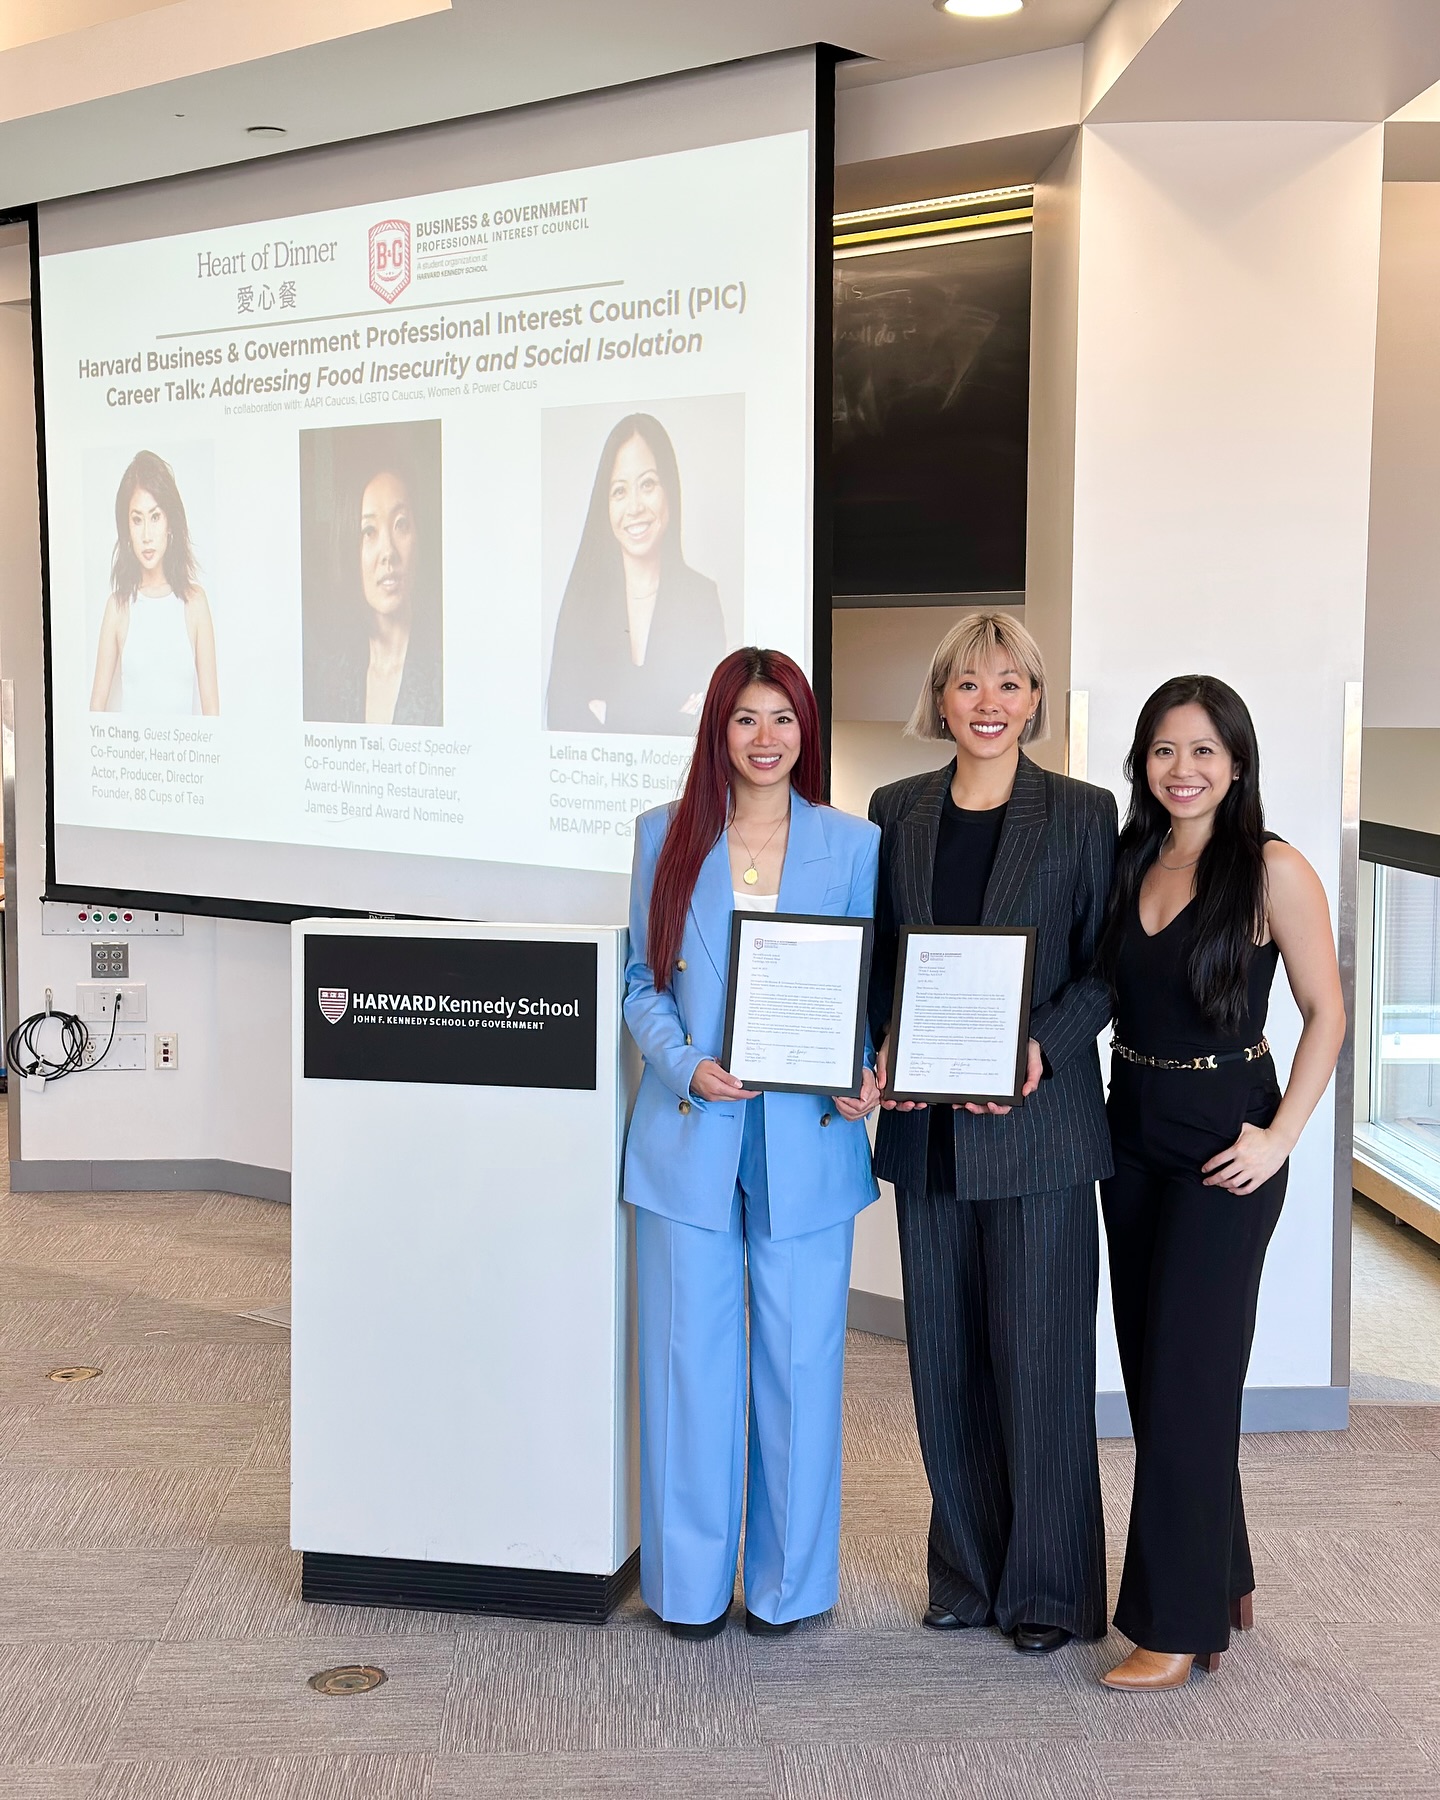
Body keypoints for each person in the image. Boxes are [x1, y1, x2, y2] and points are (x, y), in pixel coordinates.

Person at [868, 611, 1116, 1655]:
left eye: (1011, 684)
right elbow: (880, 966)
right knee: (946, 1361)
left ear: (1036, 701)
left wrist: (1041, 1047)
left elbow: (1107, 968)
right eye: (968, 684)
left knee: (1041, 1362)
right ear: (940, 699)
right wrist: (875, 1052)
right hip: (928, 1136)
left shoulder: (1083, 813)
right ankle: (966, 1571)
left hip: (1040, 1131)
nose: (989, 703)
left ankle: (1049, 1590)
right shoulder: (893, 811)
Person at [623, 647, 879, 1637]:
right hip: (692, 1129)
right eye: (745, 719)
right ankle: (687, 1590)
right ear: (716, 732)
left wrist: (863, 1074)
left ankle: (790, 1587)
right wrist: (685, 1063)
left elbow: (855, 992)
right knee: (689, 1363)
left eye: (782, 718)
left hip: (809, 1137)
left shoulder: (851, 846)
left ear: (805, 730)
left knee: (802, 1365)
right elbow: (642, 985)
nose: (766, 738)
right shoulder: (664, 836)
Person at [1095, 676, 1344, 1691]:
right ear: (1142, 764)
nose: (1182, 769)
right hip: (1131, 1133)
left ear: (1236, 762)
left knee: (1189, 1384)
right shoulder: (1128, 859)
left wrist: (1281, 1136)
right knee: (1161, 1376)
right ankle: (1225, 1571)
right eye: (1163, 750)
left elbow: (1327, 1010)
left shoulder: (1271, 868)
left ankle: (1178, 1624)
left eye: (1203, 750)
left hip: (1224, 1150)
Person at [547, 412, 726, 734]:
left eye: (647, 485)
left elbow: (705, 718)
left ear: (669, 490)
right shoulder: (582, 604)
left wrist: (609, 712)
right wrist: (666, 712)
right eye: (619, 491)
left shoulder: (701, 599)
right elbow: (563, 714)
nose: (634, 507)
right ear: (605, 506)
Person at [309, 445, 442, 727]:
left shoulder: (446, 672)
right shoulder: (329, 680)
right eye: (369, 531)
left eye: (401, 524)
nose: (388, 552)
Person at [90, 450, 218, 715]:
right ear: (127, 528)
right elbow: (96, 709)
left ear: (170, 523)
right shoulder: (118, 606)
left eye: (155, 517)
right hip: (130, 754)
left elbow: (212, 715)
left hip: (185, 755)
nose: (147, 535)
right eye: (137, 520)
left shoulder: (195, 603)